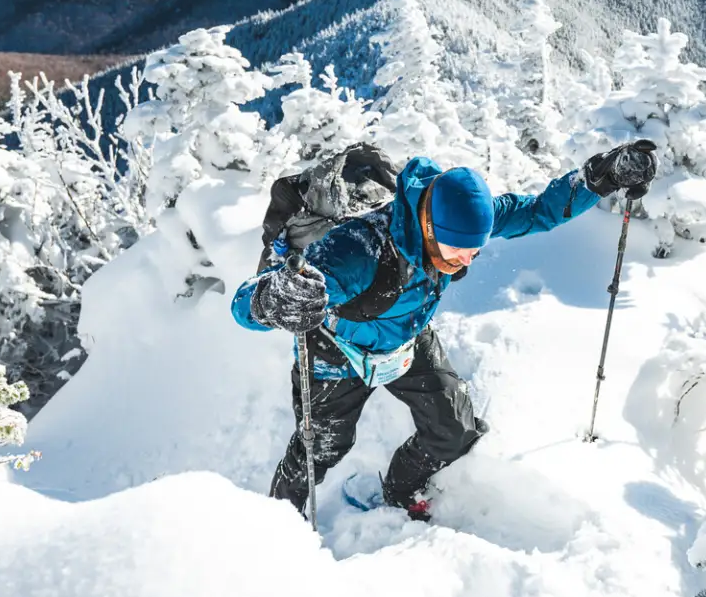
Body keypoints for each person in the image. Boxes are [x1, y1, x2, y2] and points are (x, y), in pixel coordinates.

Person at [232, 141, 658, 520]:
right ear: (429, 228)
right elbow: (244, 305)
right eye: (458, 252)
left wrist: (598, 179)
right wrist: (274, 299)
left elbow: (536, 211)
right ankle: (276, 532)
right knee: (319, 450)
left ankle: (400, 490)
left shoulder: (460, 224)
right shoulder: (358, 249)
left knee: (453, 431)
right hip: (335, 353)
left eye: (475, 251)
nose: (467, 263)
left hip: (406, 341)